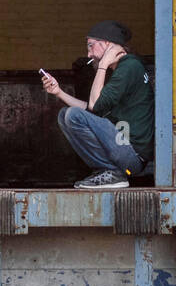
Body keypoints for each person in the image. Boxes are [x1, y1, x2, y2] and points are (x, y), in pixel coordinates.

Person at [41, 20, 153, 190]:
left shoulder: (129, 67)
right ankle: (109, 171)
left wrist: (102, 65)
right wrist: (58, 92)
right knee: (65, 115)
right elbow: (93, 109)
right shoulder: (123, 69)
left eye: (91, 46)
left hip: (131, 155)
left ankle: (112, 173)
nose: (88, 54)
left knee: (73, 115)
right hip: (123, 148)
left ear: (108, 44)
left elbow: (94, 105)